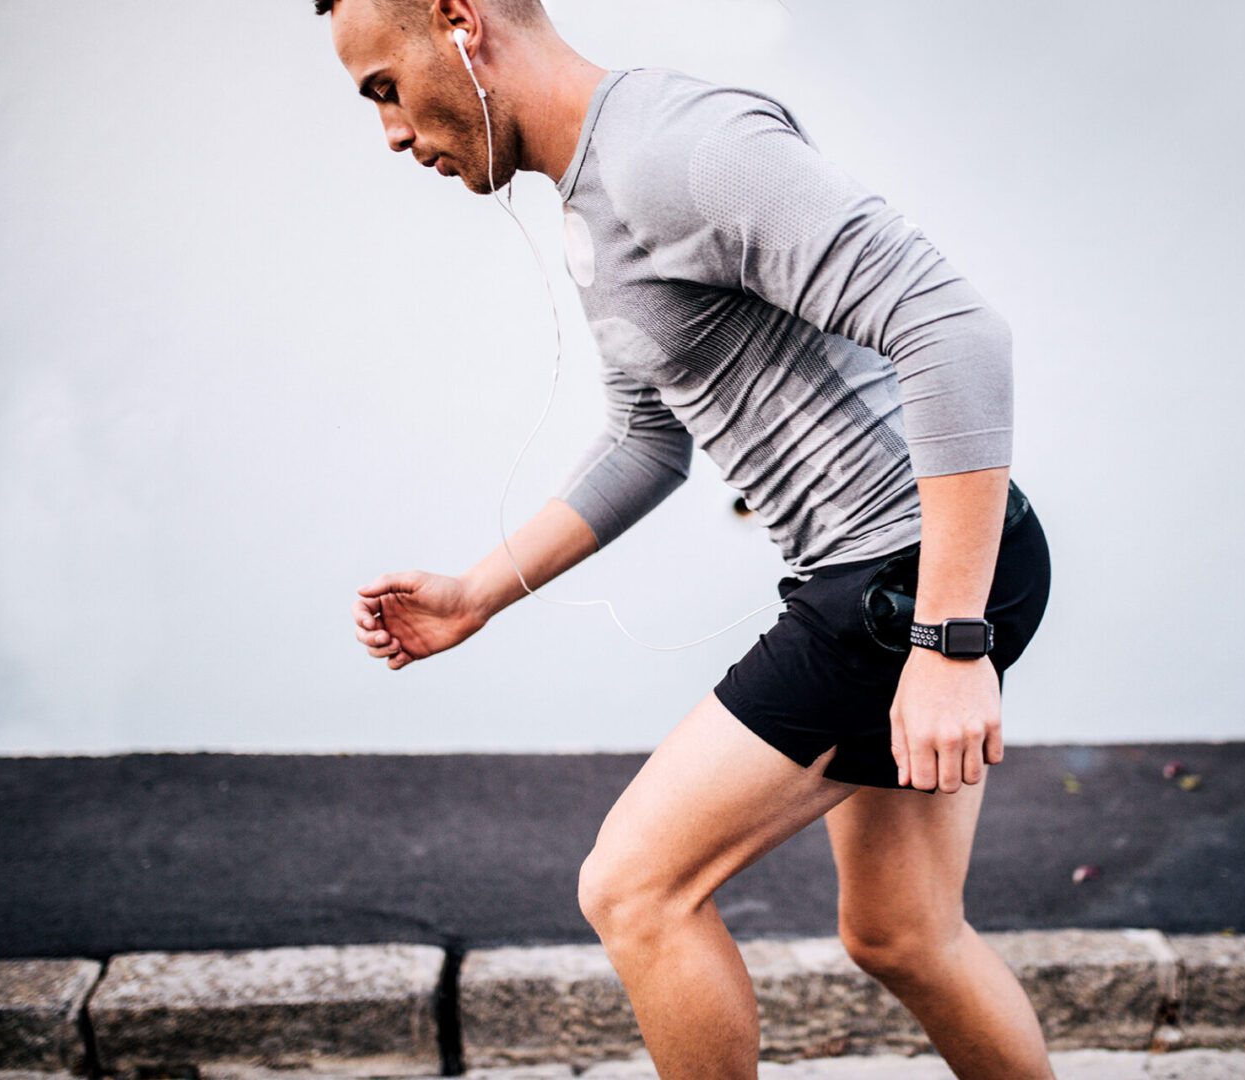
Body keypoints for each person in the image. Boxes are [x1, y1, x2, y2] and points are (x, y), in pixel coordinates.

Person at [326, 0, 1055, 1075]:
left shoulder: (676, 149)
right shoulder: (593, 195)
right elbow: (646, 440)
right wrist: (477, 593)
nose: (390, 132)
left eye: (385, 87)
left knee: (634, 886)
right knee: (904, 932)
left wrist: (949, 644)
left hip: (904, 579)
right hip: (898, 572)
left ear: (457, 21)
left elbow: (954, 328)